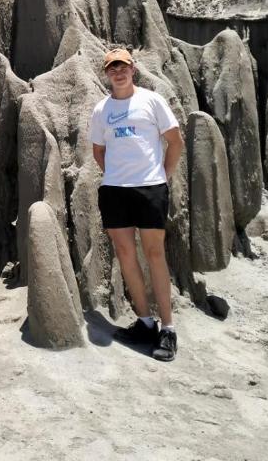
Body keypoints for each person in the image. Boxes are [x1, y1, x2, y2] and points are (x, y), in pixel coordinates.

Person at [88, 49, 184, 361]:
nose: (118, 72)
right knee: (126, 256)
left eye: (123, 67)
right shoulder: (101, 110)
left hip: (150, 189)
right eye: (112, 68)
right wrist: (116, 174)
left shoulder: (151, 101)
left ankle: (168, 329)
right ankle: (145, 322)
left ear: (133, 69)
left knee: (154, 255)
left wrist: (162, 176)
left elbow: (175, 140)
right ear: (107, 74)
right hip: (115, 191)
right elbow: (98, 151)